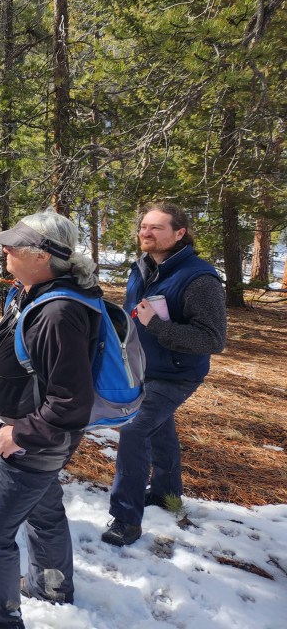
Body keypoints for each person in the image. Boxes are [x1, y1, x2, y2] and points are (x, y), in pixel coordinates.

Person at [0, 210, 100, 627]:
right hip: (26, 437)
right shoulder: (31, 291)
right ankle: (52, 585)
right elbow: (10, 341)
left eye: (14, 245)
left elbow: (71, 403)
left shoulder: (58, 314)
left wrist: (20, 434)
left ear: (42, 256)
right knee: (43, 510)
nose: (4, 249)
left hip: (31, 444)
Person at [102, 203, 227, 547]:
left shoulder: (199, 278)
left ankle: (126, 520)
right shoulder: (142, 268)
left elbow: (212, 339)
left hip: (176, 375)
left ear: (180, 233)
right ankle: (166, 492)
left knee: (135, 429)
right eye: (144, 226)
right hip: (143, 366)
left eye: (156, 227)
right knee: (159, 428)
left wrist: (156, 326)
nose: (146, 232)